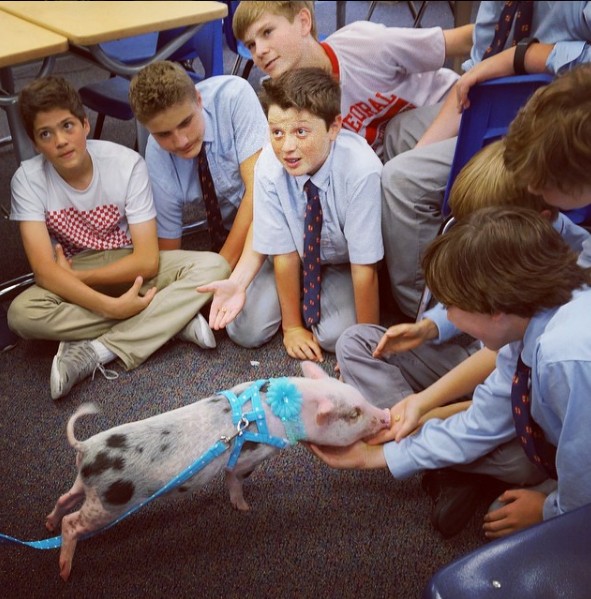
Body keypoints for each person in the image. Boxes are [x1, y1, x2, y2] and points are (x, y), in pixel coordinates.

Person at [310, 206, 591, 541]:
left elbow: (584, 465)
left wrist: (549, 511)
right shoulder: (529, 327)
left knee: (515, 532)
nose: (450, 319)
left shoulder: (566, 359)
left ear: (495, 310)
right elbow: (482, 421)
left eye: (451, 306)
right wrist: (373, 457)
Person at [7, 76, 230, 400]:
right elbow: (44, 271)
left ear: (85, 124)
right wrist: (113, 308)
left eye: (67, 126)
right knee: (21, 314)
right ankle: (171, 321)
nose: (60, 141)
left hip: (126, 264)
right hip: (72, 271)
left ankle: (98, 349)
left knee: (215, 267)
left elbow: (147, 260)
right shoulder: (27, 179)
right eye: (46, 134)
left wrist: (82, 280)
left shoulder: (126, 164)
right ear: (35, 143)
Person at [336, 139, 590, 411]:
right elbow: (475, 304)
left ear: (539, 220)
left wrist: (427, 409)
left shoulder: (571, 277)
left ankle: (411, 424)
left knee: (488, 415)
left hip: (516, 385)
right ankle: (406, 421)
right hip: (480, 358)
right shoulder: (501, 243)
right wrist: (427, 328)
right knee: (356, 341)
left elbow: (506, 372)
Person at [381, 1, 591, 319]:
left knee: (401, 180)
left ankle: (434, 308)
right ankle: (434, 292)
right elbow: (472, 80)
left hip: (560, 123)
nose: (533, 189)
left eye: (541, 186)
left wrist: (525, 57)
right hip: (505, 112)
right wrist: (420, 151)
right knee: (400, 133)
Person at [200, 67, 383, 363]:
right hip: (289, 254)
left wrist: (365, 348)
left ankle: (312, 296)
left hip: (342, 262)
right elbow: (283, 254)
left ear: (334, 127)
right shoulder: (269, 166)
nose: (287, 148)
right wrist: (292, 327)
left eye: (301, 132)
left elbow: (365, 269)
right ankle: (298, 300)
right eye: (277, 132)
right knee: (245, 330)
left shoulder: (361, 171)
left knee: (338, 336)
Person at [232, 0, 468, 158]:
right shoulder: (281, 100)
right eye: (251, 45)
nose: (259, 51)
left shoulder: (365, 45)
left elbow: (464, 40)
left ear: (304, 22)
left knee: (397, 147)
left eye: (267, 32)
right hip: (396, 156)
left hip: (456, 110)